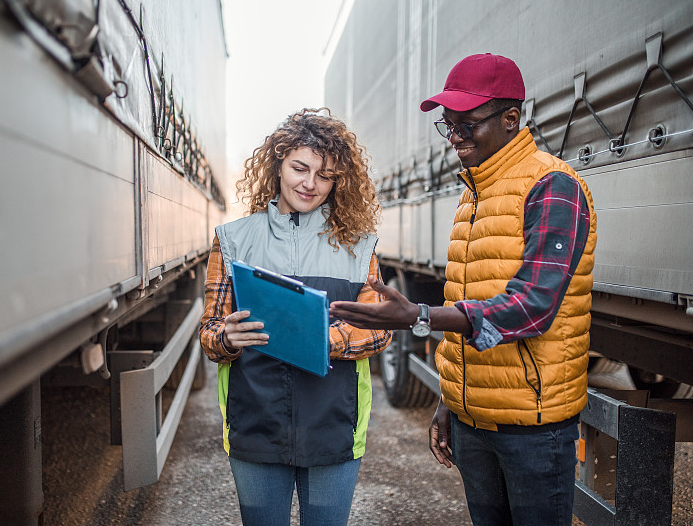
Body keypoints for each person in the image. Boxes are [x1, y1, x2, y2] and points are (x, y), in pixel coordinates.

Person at [330, 53, 597, 526]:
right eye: (448, 126)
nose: (455, 137)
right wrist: (450, 401)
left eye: (467, 125)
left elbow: (531, 308)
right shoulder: (470, 197)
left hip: (533, 429)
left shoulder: (554, 186)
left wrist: (419, 316)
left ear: (511, 118)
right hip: (475, 423)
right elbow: (464, 301)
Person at [199, 108, 392, 526]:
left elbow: (380, 331)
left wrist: (322, 338)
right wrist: (227, 338)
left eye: (324, 175)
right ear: (278, 165)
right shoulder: (232, 240)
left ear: (338, 181)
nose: (310, 183)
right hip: (255, 422)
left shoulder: (360, 246)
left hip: (334, 426)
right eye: (299, 168)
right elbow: (210, 334)